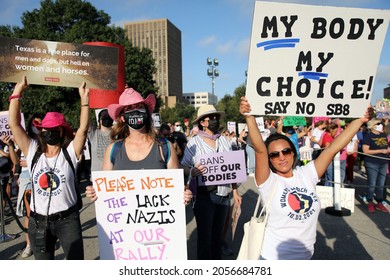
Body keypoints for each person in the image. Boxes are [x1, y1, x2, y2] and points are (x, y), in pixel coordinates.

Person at [239, 96, 371, 260]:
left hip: (306, 257)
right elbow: (259, 150)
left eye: (286, 151)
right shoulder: (268, 181)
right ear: (269, 159)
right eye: (274, 154)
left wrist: (360, 120)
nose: (281, 157)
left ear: (293, 152)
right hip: (272, 258)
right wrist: (249, 117)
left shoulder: (307, 173)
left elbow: (333, 149)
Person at [8, 76, 90, 260]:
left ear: (63, 132)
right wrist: (17, 92)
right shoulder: (33, 152)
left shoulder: (69, 152)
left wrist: (84, 101)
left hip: (67, 221)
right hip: (39, 222)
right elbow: (14, 124)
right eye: (46, 129)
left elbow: (83, 129)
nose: (50, 133)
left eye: (55, 129)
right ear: (41, 132)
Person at [85, 87, 192, 203]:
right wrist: (95, 191)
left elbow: (177, 186)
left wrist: (184, 194)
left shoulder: (165, 146)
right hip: (124, 219)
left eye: (139, 107)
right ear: (122, 117)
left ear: (147, 112)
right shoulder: (113, 150)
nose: (135, 111)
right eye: (129, 108)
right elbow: (104, 189)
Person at [180, 104, 242, 260]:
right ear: (203, 122)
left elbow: (232, 168)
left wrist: (235, 191)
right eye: (212, 118)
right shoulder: (193, 143)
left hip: (224, 195)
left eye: (217, 117)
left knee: (218, 237)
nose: (215, 120)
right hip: (204, 196)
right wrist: (192, 171)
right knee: (205, 238)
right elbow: (183, 166)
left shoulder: (225, 141)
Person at [15, 112, 44, 258]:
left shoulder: (46, 140)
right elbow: (15, 160)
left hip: (42, 177)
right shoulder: (25, 139)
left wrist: (32, 161)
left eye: (39, 123)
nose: (36, 126)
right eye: (34, 123)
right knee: (30, 212)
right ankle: (29, 244)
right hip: (28, 177)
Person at [362, 118, 390, 213]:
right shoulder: (368, 136)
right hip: (372, 163)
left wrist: (388, 149)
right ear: (373, 125)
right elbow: (365, 151)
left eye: (381, 123)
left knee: (381, 184)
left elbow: (386, 146)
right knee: (372, 183)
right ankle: (370, 202)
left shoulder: (383, 135)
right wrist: (380, 151)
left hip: (384, 162)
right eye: (379, 123)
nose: (381, 125)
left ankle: (379, 202)